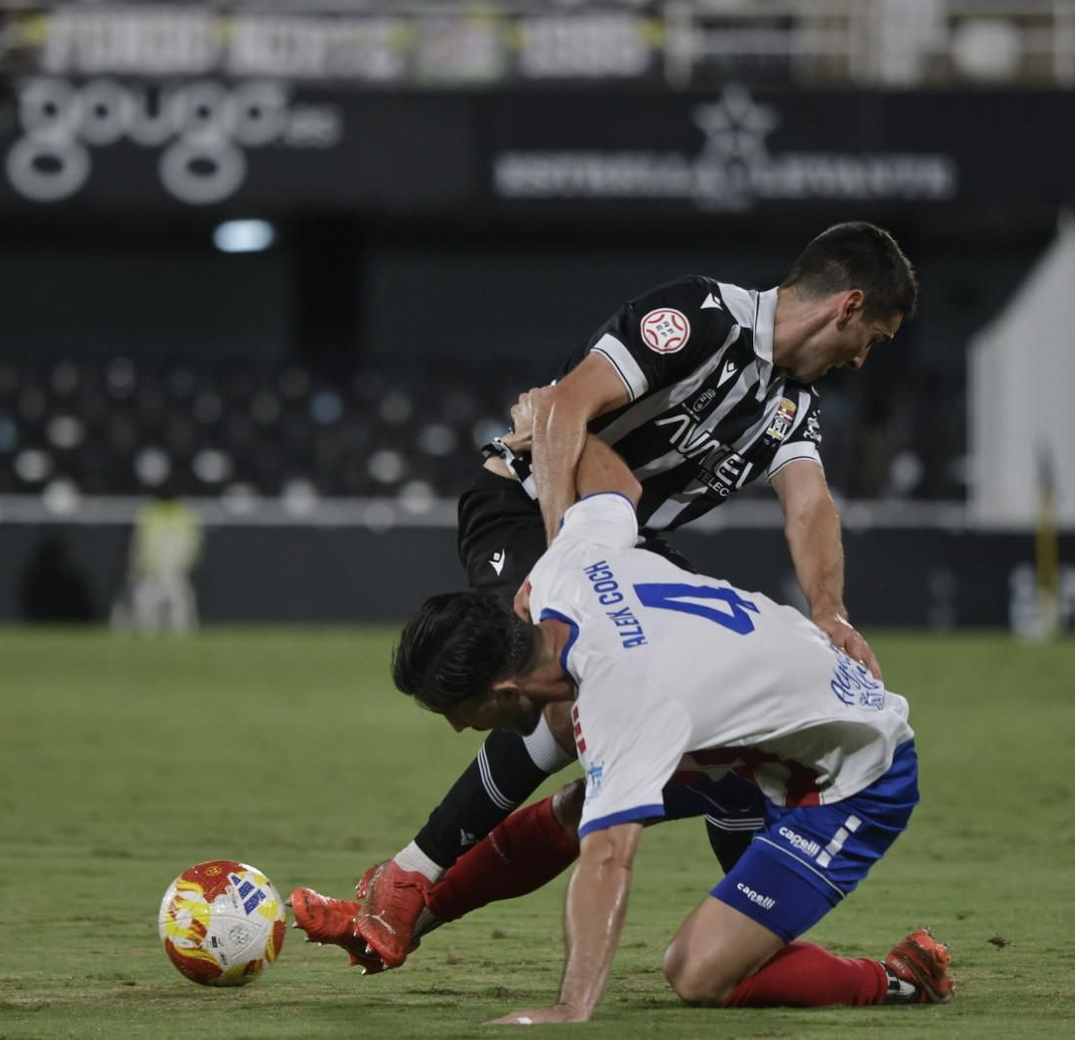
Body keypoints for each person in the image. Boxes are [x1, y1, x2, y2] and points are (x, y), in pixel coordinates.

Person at [308, 222, 919, 971]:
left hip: (619, 540)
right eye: (873, 338)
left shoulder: (793, 403)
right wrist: (566, 551)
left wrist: (831, 611)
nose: (864, 357)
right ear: (847, 305)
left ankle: (753, 945)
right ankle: (409, 877)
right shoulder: (702, 317)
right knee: (564, 694)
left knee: (721, 757)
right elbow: (563, 409)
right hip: (533, 505)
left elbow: (809, 505)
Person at [326, 434, 952, 1021]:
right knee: (580, 806)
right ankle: (409, 919)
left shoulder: (622, 697)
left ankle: (897, 977)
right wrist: (553, 425)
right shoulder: (560, 569)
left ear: (505, 688)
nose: (464, 731)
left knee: (698, 973)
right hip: (762, 731)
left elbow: (607, 863)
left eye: (461, 715)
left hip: (853, 771)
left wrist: (570, 1007)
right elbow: (615, 483)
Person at [124, 487, 204, 636]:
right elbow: (140, 542)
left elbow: (191, 543)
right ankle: (150, 634)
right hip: (153, 569)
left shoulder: (183, 514)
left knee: (177, 601)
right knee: (148, 601)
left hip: (172, 567)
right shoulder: (150, 514)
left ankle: (180, 635)